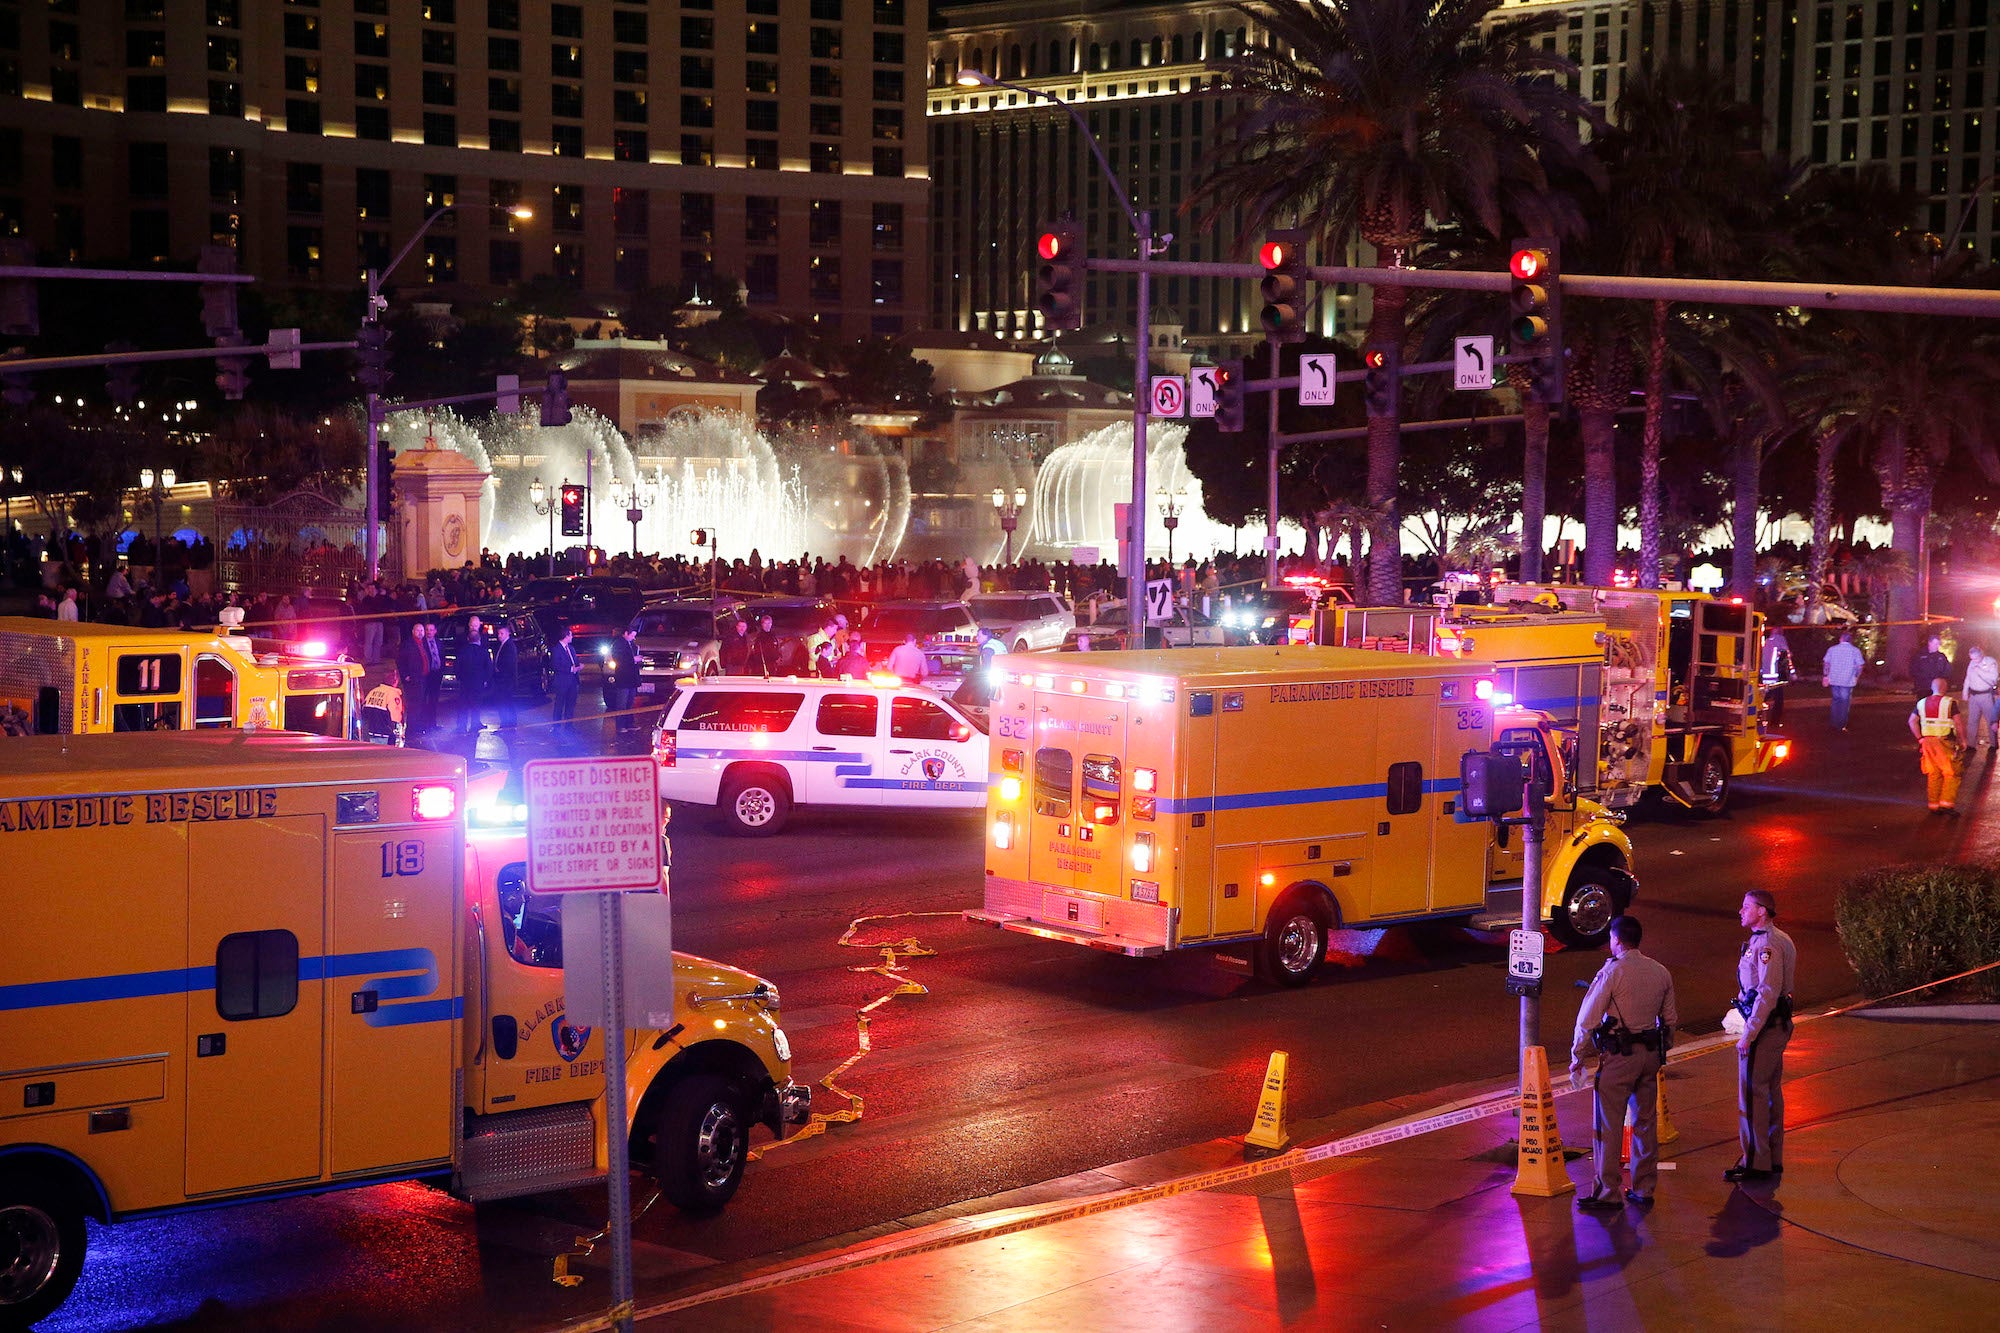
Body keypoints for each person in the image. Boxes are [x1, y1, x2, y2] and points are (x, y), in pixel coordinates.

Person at [1570, 916, 1679, 1211]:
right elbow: (1669, 1020)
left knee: (1609, 1124)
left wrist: (1577, 1056)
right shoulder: (1661, 972)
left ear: (1616, 940)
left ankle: (1607, 1192)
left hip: (1620, 1057)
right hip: (1650, 1056)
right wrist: (1660, 1051)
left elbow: (1587, 1020)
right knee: (1645, 1122)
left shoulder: (1612, 972)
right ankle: (1644, 1188)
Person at [1727, 889, 1796, 1184]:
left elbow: (1767, 993)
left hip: (1765, 1028)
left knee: (1753, 1094)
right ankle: (1771, 1157)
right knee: (1769, 1093)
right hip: (1773, 1024)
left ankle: (1756, 1162)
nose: (1741, 911)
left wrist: (1748, 1034)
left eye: (1746, 907)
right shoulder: (1771, 939)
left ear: (1762, 911)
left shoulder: (1767, 945)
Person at [1908, 675, 1965, 813]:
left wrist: (1920, 738)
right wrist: (1962, 740)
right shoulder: (1950, 703)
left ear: (1932, 688)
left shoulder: (1921, 703)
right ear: (1945, 688)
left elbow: (1912, 721)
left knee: (1933, 773)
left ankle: (1933, 804)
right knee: (1951, 772)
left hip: (1927, 743)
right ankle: (1946, 804)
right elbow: (1957, 723)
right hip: (1944, 742)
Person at [457, 615, 493, 735]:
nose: (473, 627)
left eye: (475, 625)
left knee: (463, 705)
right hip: (477, 682)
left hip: (465, 682)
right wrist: (486, 679)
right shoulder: (483, 651)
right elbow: (488, 666)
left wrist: (459, 678)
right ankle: (473, 725)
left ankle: (462, 726)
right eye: (472, 625)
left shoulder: (463, 651)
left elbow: (457, 666)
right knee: (475, 704)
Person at [1821, 630, 1864, 731]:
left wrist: (1825, 676)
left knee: (1836, 700)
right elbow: (1860, 666)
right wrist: (1856, 677)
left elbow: (1826, 663)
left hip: (1834, 679)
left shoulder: (1832, 649)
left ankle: (1834, 722)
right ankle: (1841, 724)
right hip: (1847, 680)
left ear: (1841, 639)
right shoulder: (1855, 651)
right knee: (1844, 702)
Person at [397, 621, 432, 736]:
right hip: (413, 679)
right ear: (413, 632)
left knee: (421, 703)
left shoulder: (424, 643)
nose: (420, 632)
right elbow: (400, 660)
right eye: (418, 630)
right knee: (414, 705)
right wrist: (405, 675)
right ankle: (411, 730)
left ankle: (418, 727)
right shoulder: (408, 644)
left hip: (423, 678)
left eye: (422, 630)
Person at [604, 624, 641, 732]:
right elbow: (619, 660)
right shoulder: (618, 644)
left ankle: (629, 723)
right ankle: (620, 726)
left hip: (632, 678)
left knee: (630, 702)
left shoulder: (631, 644)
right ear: (626, 633)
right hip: (623, 678)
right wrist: (633, 659)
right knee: (622, 703)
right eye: (632, 635)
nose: (633, 638)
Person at [1964, 645, 1999, 749]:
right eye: (1972, 659)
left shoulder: (1990, 662)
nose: (1974, 661)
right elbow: (1968, 677)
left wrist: (1979, 670)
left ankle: (1993, 744)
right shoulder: (1972, 663)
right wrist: (1965, 691)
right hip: (1974, 696)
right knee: (1972, 721)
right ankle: (1971, 744)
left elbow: (1993, 678)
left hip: (1986, 695)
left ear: (1981, 655)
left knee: (1990, 720)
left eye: (1975, 659)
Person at [1760, 627, 1794, 728]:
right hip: (1774, 676)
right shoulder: (1780, 640)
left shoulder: (1765, 641)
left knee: (1764, 696)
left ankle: (1757, 715)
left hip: (1764, 675)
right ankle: (1774, 722)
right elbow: (1786, 656)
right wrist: (1792, 673)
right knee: (1778, 699)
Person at [490, 621, 520, 732]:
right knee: (503, 703)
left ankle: (509, 725)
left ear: (508, 634)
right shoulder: (502, 645)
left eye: (502, 633)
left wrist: (499, 671)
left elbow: (509, 664)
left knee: (506, 703)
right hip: (502, 681)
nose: (499, 636)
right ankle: (506, 724)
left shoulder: (509, 646)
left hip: (506, 681)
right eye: (498, 634)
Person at [363, 667, 406, 740]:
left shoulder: (373, 691)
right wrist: (399, 735)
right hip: (385, 735)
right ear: (395, 681)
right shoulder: (393, 695)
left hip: (369, 734)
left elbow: (364, 712)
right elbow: (396, 718)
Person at [550, 626, 581, 727]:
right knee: (559, 704)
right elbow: (556, 665)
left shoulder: (571, 649)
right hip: (562, 682)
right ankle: (556, 726)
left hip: (573, 681)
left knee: (570, 704)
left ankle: (569, 725)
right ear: (566, 636)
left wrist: (578, 666)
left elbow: (574, 661)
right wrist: (570, 669)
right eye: (571, 635)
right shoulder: (556, 649)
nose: (572, 637)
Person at [1910, 634, 1951, 698]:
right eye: (1935, 644)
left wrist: (1940, 682)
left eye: (1938, 644)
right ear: (1930, 643)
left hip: (1937, 690)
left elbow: (1947, 670)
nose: (1937, 646)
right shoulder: (1919, 656)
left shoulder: (1941, 657)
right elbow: (1913, 670)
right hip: (1923, 688)